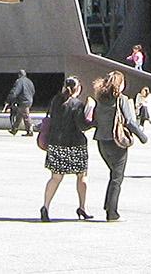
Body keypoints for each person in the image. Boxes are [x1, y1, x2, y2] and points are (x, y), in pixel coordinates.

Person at [91, 71, 148, 221]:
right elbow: (129, 121)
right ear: (119, 84)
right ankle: (112, 213)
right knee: (117, 177)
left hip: (101, 141)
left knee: (113, 174)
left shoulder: (100, 99)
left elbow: (94, 119)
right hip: (117, 141)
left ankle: (108, 204)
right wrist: (142, 136)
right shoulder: (121, 99)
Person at [39, 77, 93, 221]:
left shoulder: (55, 101)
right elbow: (82, 126)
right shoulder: (77, 104)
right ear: (78, 88)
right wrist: (91, 119)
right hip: (75, 145)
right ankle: (82, 207)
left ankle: (45, 206)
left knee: (55, 177)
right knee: (82, 176)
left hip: (56, 144)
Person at [5, 70, 36, 136]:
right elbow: (33, 91)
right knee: (19, 115)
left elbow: (15, 91)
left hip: (23, 101)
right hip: (29, 100)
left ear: (19, 75)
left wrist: (9, 100)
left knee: (25, 115)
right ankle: (14, 129)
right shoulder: (29, 81)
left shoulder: (19, 81)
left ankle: (30, 130)